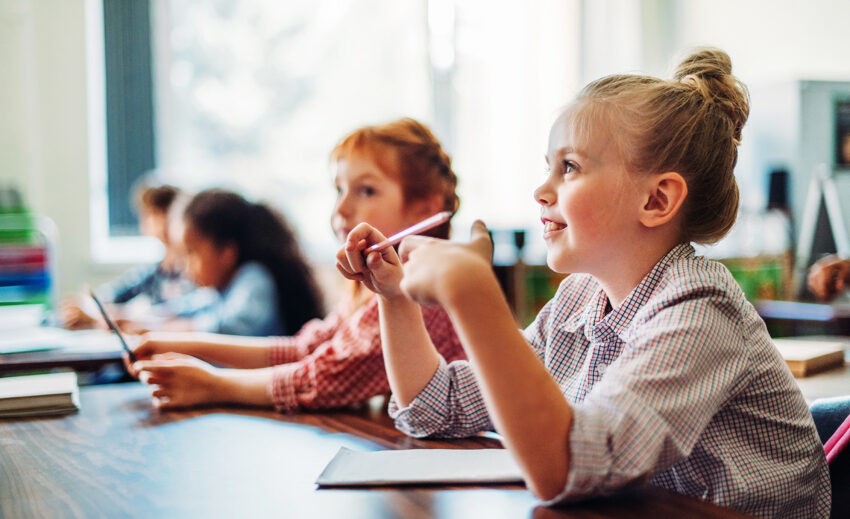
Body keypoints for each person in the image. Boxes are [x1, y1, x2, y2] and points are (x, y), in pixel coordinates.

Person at [337, 49, 830, 517]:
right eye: (546, 167)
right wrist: (394, 297)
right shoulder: (580, 299)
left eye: (568, 167)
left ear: (657, 200)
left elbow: (571, 467)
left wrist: (475, 296)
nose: (541, 190)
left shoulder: (701, 310)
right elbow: (434, 408)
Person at [128, 118, 466, 412]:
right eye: (339, 189)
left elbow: (322, 377)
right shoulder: (371, 289)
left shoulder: (421, 292)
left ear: (425, 207)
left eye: (365, 191)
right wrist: (176, 343)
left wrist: (213, 385)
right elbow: (305, 349)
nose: (341, 208)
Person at [124, 188, 325, 337]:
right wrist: (142, 319)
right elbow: (189, 306)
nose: (185, 267)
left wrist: (169, 328)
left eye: (192, 254)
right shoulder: (222, 288)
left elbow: (232, 326)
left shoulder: (254, 278)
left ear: (226, 253)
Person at [60, 183, 196, 329]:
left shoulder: (195, 271)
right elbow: (112, 294)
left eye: (162, 213)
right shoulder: (156, 271)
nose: (157, 222)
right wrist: (85, 306)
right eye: (150, 214)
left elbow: (180, 312)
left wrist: (109, 317)